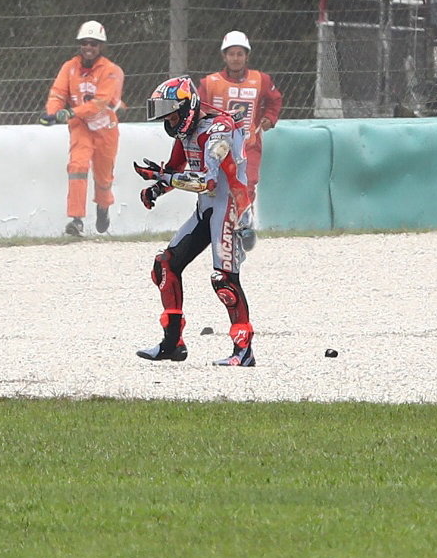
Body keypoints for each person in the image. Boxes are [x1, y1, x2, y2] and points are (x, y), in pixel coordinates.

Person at [134, 75, 257, 368]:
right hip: (206, 209)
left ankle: (243, 349)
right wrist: (157, 188)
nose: (170, 121)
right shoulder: (185, 133)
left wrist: (162, 178)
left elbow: (208, 182)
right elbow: (175, 169)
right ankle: (172, 343)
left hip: (230, 207)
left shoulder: (219, 129)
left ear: (188, 106)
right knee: (165, 265)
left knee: (223, 279)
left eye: (173, 113)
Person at [197, 29, 282, 250]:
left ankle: (245, 227)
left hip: (248, 145)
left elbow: (275, 101)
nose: (236, 58)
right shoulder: (209, 83)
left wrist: (268, 119)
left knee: (247, 184)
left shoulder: (260, 80)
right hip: (217, 146)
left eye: (240, 54)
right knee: (214, 186)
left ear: (247, 56)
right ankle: (215, 228)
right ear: (224, 56)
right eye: (231, 54)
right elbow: (199, 110)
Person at [40, 21, 125, 238]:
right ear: (80, 44)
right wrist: (51, 112)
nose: (89, 47)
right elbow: (58, 93)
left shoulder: (111, 71)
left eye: (94, 44)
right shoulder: (69, 68)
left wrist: (71, 112)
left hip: (105, 129)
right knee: (77, 166)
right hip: (80, 128)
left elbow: (100, 102)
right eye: (85, 43)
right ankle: (76, 220)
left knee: (103, 177)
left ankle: (103, 207)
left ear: (101, 46)